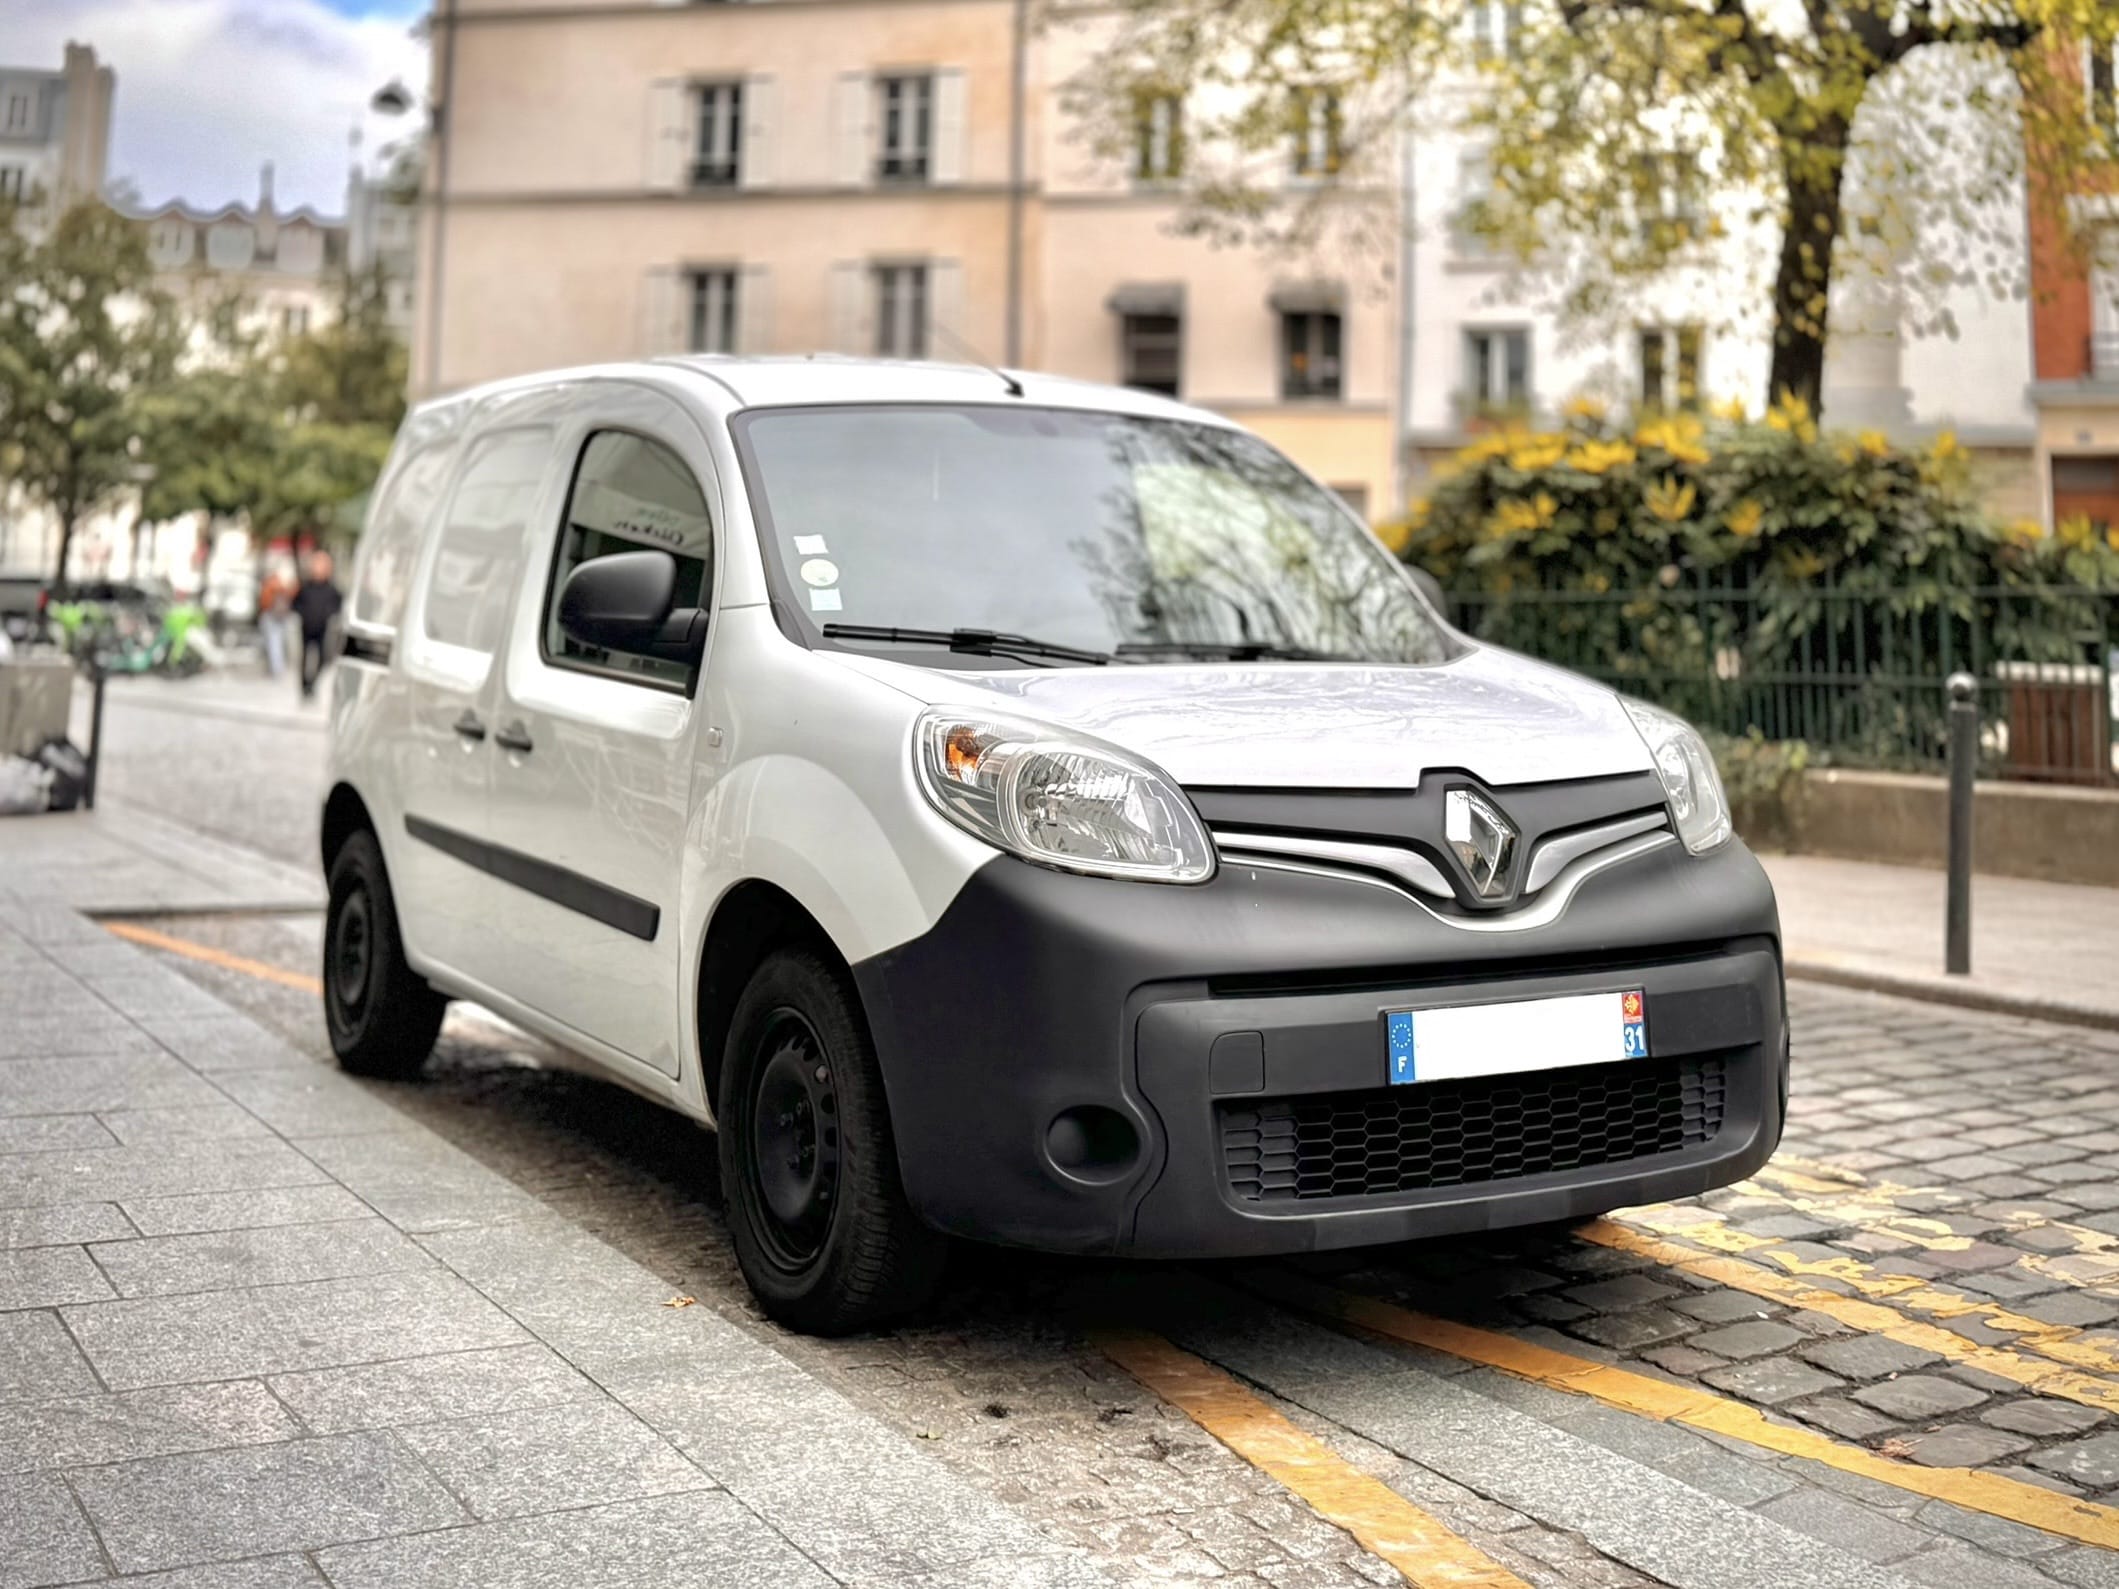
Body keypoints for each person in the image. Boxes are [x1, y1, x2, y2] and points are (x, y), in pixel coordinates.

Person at [290, 550, 343, 700]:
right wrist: (302, 614)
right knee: (304, 658)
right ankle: (305, 686)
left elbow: (338, 605)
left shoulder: (331, 589)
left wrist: (329, 615)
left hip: (323, 629)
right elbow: (295, 604)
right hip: (306, 627)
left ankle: (312, 683)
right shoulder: (306, 587)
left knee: (323, 658)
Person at [256, 563, 294, 678]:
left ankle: (276, 669)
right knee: (276, 643)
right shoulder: (282, 585)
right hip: (278, 617)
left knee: (274, 644)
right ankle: (276, 668)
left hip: (272, 616)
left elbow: (264, 602)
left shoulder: (271, 585)